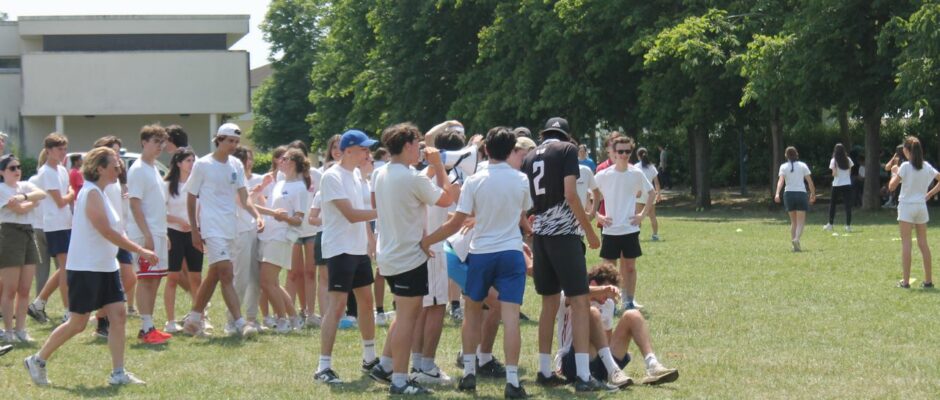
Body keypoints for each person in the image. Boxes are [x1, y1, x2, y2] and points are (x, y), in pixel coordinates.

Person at [23, 147, 158, 387]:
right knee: (78, 323)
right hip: (86, 268)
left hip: (106, 267)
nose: (119, 169)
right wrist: (140, 250)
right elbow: (106, 231)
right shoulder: (91, 193)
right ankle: (37, 360)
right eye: (115, 165)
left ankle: (118, 373)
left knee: (118, 315)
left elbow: (112, 231)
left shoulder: (103, 193)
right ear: (100, 168)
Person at [421, 126, 533, 398]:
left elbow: (457, 221)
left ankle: (469, 372)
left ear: (486, 150)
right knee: (511, 317)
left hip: (481, 252)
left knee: (472, 312)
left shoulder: (474, 180)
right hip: (510, 252)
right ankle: (513, 380)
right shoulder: (520, 179)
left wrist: (428, 240)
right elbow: (523, 210)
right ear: (511, 150)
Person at [521, 117, 609, 392]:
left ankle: (544, 370)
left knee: (548, 303)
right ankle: (583, 374)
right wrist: (590, 232)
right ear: (566, 135)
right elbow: (571, 194)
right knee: (580, 300)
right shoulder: (568, 149)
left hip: (541, 235)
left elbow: (527, 201)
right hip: (564, 233)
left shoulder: (530, 156)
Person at [369, 123, 457, 395]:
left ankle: (385, 365)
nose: (420, 150)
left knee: (405, 315)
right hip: (408, 257)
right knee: (408, 319)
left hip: (390, 255)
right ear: (407, 146)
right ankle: (399, 380)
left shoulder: (380, 173)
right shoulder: (412, 177)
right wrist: (438, 166)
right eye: (417, 146)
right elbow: (447, 198)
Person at [181, 123, 262, 337]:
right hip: (211, 227)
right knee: (226, 272)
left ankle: (194, 319)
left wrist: (257, 215)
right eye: (230, 141)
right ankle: (240, 322)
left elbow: (244, 197)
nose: (233, 145)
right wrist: (194, 230)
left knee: (215, 274)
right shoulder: (203, 165)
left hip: (230, 226)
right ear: (219, 140)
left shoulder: (236, 164)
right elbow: (191, 197)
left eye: (236, 141)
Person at [314, 129, 379, 385]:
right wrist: (384, 211)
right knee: (337, 306)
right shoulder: (332, 176)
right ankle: (323, 367)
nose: (367, 153)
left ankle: (370, 358)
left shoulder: (356, 175)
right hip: (340, 249)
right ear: (348, 150)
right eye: (363, 149)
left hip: (357, 249)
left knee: (366, 301)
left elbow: (360, 213)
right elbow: (351, 215)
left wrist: (369, 241)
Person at [554, 264, 678, 386]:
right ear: (593, 284)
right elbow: (574, 296)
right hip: (572, 364)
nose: (607, 296)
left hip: (600, 363)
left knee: (632, 315)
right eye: (606, 290)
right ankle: (612, 370)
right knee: (592, 312)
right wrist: (604, 290)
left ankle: (652, 364)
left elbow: (606, 341)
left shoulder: (608, 303)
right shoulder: (569, 297)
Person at [595, 137, 655, 312]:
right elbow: (588, 196)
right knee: (608, 270)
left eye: (627, 151)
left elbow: (651, 193)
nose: (624, 155)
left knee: (629, 268)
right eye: (620, 151)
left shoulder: (636, 173)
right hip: (610, 230)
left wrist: (642, 215)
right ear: (613, 152)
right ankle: (609, 304)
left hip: (630, 229)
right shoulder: (603, 175)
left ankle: (628, 301)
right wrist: (597, 216)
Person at [125, 125, 171, 344]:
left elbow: (156, 204)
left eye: (162, 142)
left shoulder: (152, 168)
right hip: (145, 233)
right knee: (146, 279)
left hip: (157, 231)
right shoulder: (138, 169)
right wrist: (147, 235)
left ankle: (149, 326)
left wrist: (163, 232)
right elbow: (135, 204)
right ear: (144, 142)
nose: (159, 146)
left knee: (155, 279)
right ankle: (146, 327)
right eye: (155, 141)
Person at [28, 133, 76, 325]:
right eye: (59, 149)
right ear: (48, 151)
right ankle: (67, 310)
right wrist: (72, 193)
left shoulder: (62, 170)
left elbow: (66, 196)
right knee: (65, 268)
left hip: (65, 222)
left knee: (65, 267)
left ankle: (38, 303)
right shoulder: (47, 172)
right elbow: (60, 201)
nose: (63, 153)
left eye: (64, 149)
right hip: (54, 224)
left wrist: (69, 194)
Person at [0, 155, 46, 343]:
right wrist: (32, 202)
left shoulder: (24, 186)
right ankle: (8, 331)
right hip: (9, 234)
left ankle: (21, 329)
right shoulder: (2, 189)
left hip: (28, 233)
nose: (17, 170)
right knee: (10, 288)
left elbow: (41, 194)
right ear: (2, 172)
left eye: (18, 167)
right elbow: (20, 210)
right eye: (12, 168)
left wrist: (23, 197)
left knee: (25, 288)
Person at [888, 136, 939, 289]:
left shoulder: (905, 166)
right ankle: (928, 281)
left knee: (906, 243)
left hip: (906, 207)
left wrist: (894, 173)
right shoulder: (926, 166)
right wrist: (929, 194)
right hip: (921, 207)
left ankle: (905, 282)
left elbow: (891, 187)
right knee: (923, 244)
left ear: (906, 150)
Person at [163, 148, 202, 333]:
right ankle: (170, 321)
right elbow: (159, 212)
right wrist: (179, 221)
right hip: (174, 233)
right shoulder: (167, 185)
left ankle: (198, 318)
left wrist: (197, 228)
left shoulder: (198, 185)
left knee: (196, 277)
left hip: (194, 233)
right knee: (173, 277)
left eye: (193, 160)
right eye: (188, 160)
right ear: (178, 163)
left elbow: (201, 209)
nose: (191, 164)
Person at [230, 146, 264, 333]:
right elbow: (242, 201)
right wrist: (257, 191)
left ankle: (251, 318)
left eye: (250, 159)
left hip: (252, 230)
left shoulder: (246, 178)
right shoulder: (233, 177)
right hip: (239, 230)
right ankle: (232, 320)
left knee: (255, 278)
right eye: (244, 159)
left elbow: (256, 204)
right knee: (241, 277)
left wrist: (259, 217)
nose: (248, 163)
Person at [774, 147, 816, 252]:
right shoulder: (803, 165)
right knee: (800, 222)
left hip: (788, 194)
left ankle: (794, 245)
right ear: (796, 154)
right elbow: (810, 182)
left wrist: (777, 193)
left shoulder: (783, 166)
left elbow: (780, 181)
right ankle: (796, 239)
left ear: (786, 155)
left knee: (793, 222)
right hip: (801, 194)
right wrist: (813, 194)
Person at [824, 143, 854, 232]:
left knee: (833, 205)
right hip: (847, 184)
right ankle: (848, 226)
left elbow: (834, 174)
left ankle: (830, 224)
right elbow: (849, 173)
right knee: (847, 205)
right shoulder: (848, 159)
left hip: (837, 184)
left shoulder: (834, 160)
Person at [635, 147, 662, 241]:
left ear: (638, 156)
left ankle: (636, 236)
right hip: (650, 194)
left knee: (638, 216)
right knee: (652, 216)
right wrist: (658, 194)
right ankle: (655, 235)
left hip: (639, 194)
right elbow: (656, 183)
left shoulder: (636, 167)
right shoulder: (652, 167)